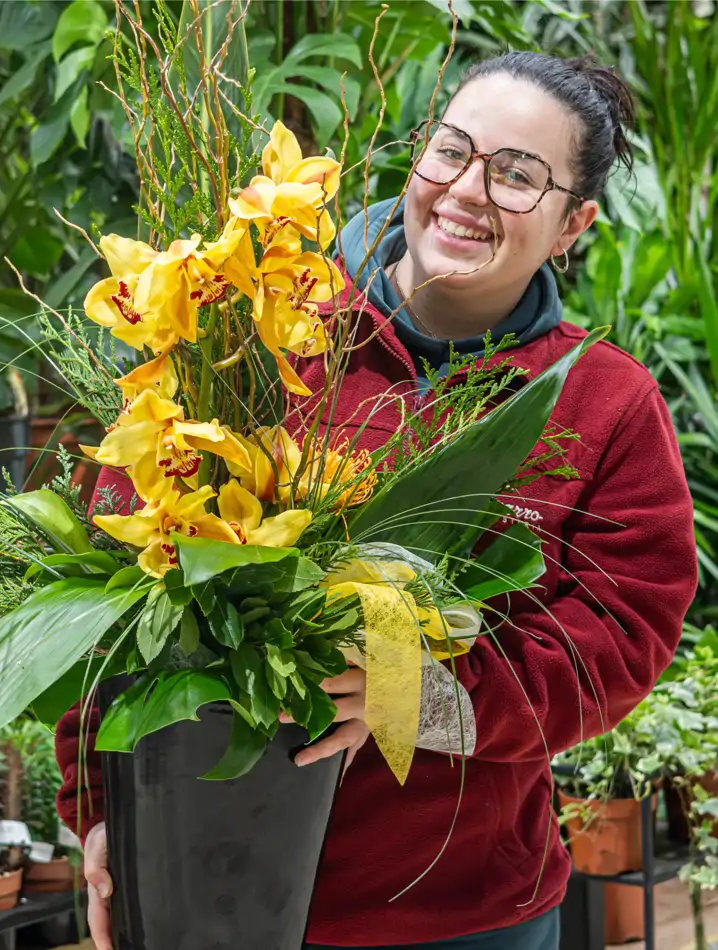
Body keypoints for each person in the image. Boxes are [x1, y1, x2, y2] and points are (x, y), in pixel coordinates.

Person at [55, 52, 698, 950]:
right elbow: (114, 604)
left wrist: (428, 697)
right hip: (208, 880)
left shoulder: (599, 402)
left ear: (572, 224)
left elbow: (620, 637)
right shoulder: (254, 333)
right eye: (451, 151)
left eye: (517, 175)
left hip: (461, 911)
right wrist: (98, 816)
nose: (466, 191)